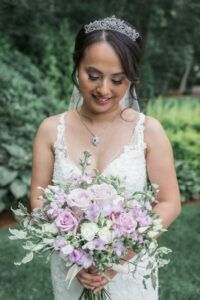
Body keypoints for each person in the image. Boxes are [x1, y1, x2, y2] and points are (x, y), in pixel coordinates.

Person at [30, 16, 181, 300]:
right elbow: (38, 200)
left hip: (130, 268)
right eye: (93, 75)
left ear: (132, 76)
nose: (104, 90)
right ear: (77, 66)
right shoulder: (50, 130)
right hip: (71, 268)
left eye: (117, 80)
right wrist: (75, 251)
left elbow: (170, 203)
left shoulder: (149, 131)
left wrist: (116, 260)